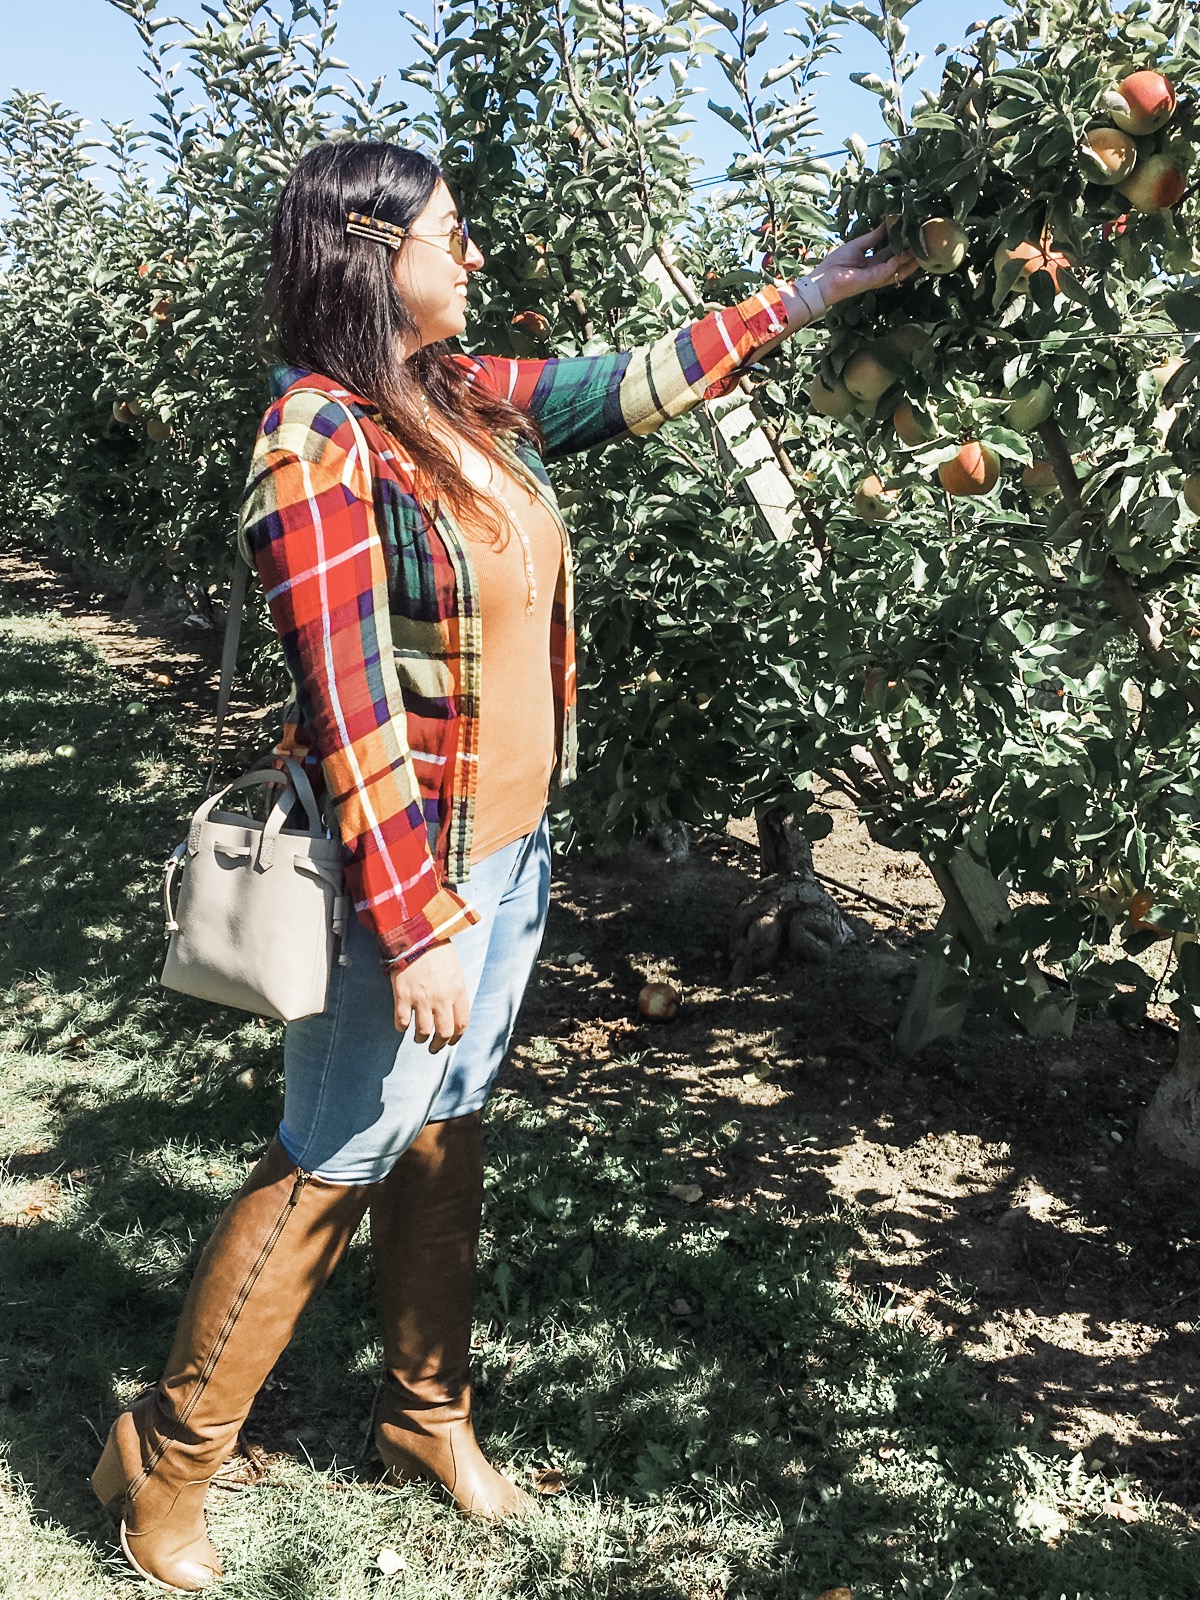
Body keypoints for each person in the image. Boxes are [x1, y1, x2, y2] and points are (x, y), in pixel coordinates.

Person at [90, 139, 918, 1591]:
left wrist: (802, 299)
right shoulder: (318, 436)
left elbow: (618, 386)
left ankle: (424, 1415)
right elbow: (348, 702)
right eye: (452, 234)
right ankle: (164, 1461)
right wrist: (416, 920)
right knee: (334, 1150)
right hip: (407, 872)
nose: (474, 256)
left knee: (444, 1121)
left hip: (513, 851)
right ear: (370, 254)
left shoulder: (454, 394)